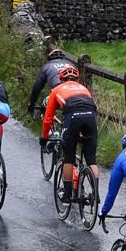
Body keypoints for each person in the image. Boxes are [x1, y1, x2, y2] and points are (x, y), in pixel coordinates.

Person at [41, 65, 99, 204]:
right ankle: (95, 193)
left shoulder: (56, 90)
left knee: (69, 158)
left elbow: (48, 118)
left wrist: (44, 137)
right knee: (91, 158)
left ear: (61, 79)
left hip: (73, 117)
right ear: (76, 79)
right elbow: (87, 107)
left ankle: (67, 195)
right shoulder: (84, 89)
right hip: (91, 118)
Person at [27, 47, 76, 114]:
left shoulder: (46, 66)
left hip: (59, 91)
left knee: (44, 106)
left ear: (49, 59)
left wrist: (32, 104)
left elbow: (37, 87)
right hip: (76, 91)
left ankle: (49, 122)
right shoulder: (71, 64)